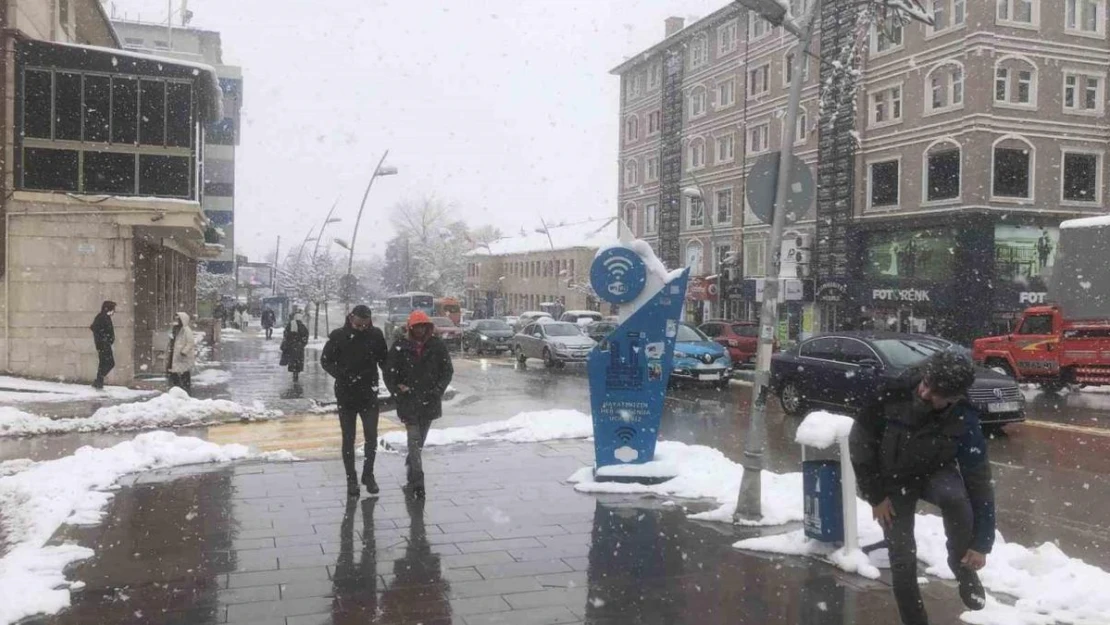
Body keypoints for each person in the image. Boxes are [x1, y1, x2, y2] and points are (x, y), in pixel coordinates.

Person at [850, 350, 994, 625]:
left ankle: (961, 566)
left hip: (934, 472)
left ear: (953, 399)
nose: (924, 393)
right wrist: (875, 496)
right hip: (891, 481)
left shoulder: (964, 417)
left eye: (935, 393)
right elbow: (860, 444)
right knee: (902, 558)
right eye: (926, 384)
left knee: (956, 498)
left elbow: (979, 480)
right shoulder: (893, 393)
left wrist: (981, 543)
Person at [384, 310, 453, 499]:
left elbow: (447, 371)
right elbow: (389, 373)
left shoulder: (437, 346)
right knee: (413, 441)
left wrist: (438, 390)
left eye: (424, 326)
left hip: (429, 401)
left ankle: (411, 464)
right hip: (409, 401)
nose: (421, 330)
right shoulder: (400, 347)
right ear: (411, 328)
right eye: (417, 327)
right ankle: (418, 481)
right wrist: (398, 390)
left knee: (419, 441)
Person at [321, 305, 389, 498]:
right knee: (348, 438)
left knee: (371, 436)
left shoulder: (375, 335)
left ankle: (368, 474)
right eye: (358, 324)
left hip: (369, 393)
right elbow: (325, 360)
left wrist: (396, 377)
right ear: (351, 319)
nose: (361, 328)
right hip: (346, 394)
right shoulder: (338, 336)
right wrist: (342, 375)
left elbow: (384, 361)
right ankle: (351, 478)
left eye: (364, 324)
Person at [167, 312, 197, 395]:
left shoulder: (186, 330)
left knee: (184, 372)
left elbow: (190, 342)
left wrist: (184, 351)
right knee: (174, 371)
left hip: (182, 356)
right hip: (175, 354)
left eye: (179, 319)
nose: (178, 321)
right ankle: (177, 388)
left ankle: (184, 389)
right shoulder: (176, 329)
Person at [90, 300, 117, 389]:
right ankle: (98, 380)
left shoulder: (105, 317)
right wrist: (105, 340)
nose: (114, 311)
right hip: (103, 345)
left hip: (105, 344)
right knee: (109, 363)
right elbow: (95, 329)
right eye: (113, 309)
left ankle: (98, 381)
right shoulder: (102, 317)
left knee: (104, 364)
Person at [281, 312, 310, 382]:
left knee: (293, 361)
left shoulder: (290, 325)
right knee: (298, 361)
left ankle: (294, 374)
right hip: (299, 348)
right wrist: (302, 344)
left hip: (291, 346)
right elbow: (306, 336)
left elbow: (285, 334)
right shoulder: (303, 327)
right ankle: (296, 374)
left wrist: (289, 341)